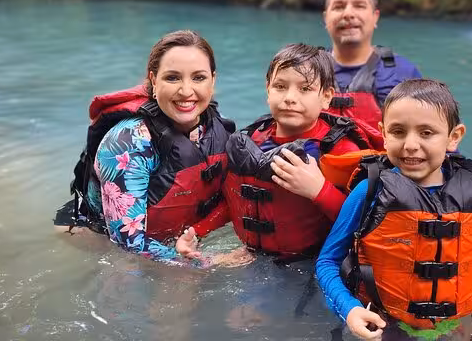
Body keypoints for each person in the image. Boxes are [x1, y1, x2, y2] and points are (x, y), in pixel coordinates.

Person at [316, 79, 472, 340]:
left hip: (460, 324)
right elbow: (328, 262)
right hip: (385, 324)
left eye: (426, 133)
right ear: (384, 134)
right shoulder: (369, 192)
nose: (410, 144)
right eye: (398, 131)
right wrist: (350, 310)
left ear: (453, 137)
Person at [177, 43, 383, 260]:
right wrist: (198, 232)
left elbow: (364, 222)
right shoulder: (254, 140)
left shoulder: (338, 150)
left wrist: (318, 190)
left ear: (326, 96)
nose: (290, 98)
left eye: (305, 89)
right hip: (257, 255)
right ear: (268, 90)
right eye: (280, 86)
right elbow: (239, 201)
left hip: (316, 262)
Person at [67, 30, 240, 264]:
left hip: (175, 240)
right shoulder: (128, 143)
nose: (186, 91)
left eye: (198, 77)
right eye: (172, 78)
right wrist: (213, 261)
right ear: (154, 81)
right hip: (98, 239)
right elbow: (128, 244)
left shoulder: (219, 130)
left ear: (213, 80)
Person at [322, 0, 422, 130]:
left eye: (359, 6)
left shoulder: (404, 72)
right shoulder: (307, 71)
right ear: (325, 17)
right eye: (338, 7)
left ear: (375, 17)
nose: (348, 14)